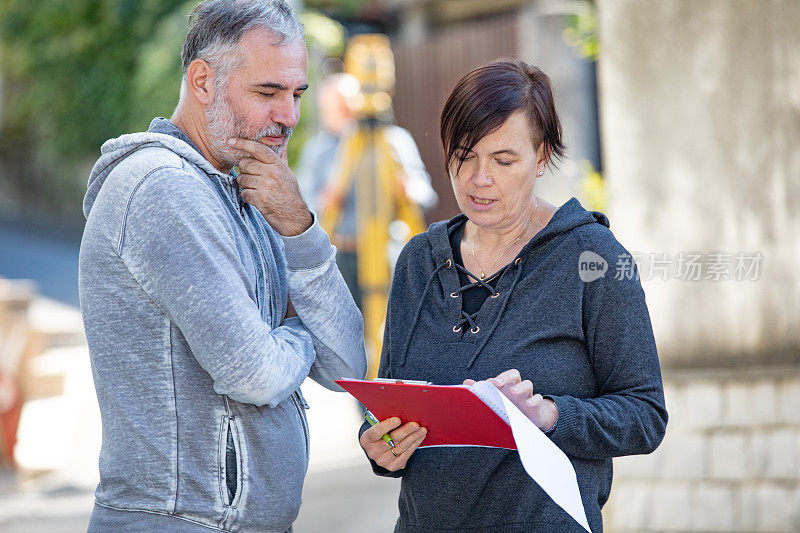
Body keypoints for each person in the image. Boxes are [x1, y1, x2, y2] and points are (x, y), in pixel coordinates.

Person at [79, 1, 367, 531]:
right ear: (203, 80)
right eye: (268, 92)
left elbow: (348, 366)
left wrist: (300, 228)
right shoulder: (162, 188)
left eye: (296, 93)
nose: (289, 116)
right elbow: (254, 373)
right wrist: (296, 331)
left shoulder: (251, 190)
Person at [359, 59, 668, 533]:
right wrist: (380, 445)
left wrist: (548, 415)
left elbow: (645, 415)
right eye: (465, 155)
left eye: (504, 160)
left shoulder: (593, 257)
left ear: (542, 157)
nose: (480, 178)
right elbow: (389, 404)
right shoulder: (419, 260)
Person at [296, 73, 438, 308]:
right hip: (341, 255)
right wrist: (326, 200)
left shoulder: (394, 140)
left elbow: (426, 194)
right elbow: (304, 207)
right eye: (333, 107)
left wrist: (409, 190)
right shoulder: (317, 151)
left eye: (344, 105)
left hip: (388, 252)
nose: (340, 113)